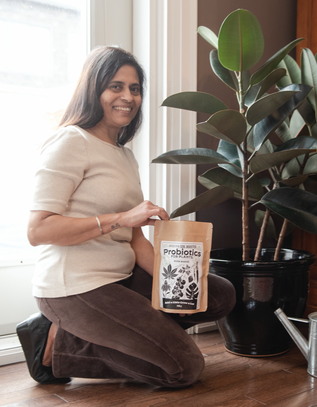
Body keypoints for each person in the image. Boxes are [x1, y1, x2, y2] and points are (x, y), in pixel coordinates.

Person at [16, 46, 235, 387]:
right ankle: (55, 345)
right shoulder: (69, 142)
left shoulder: (124, 155)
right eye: (115, 86)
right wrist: (120, 217)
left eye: (135, 89)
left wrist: (174, 278)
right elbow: (38, 230)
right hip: (74, 286)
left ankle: (132, 336)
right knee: (183, 368)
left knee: (215, 294)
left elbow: (134, 239)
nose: (128, 97)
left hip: (121, 276)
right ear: (94, 90)